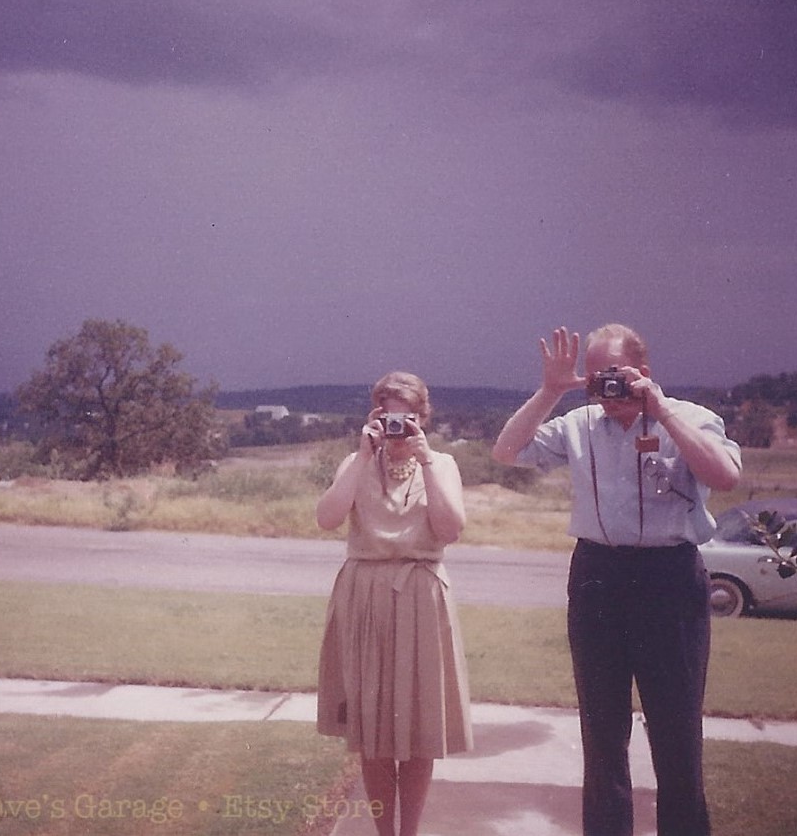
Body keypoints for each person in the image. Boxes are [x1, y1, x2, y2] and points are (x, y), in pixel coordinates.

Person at [492, 325, 741, 836]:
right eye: (595, 376)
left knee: (676, 731)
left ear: (641, 372)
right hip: (598, 578)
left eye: (615, 375)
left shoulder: (692, 419)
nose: (604, 389)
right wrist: (550, 391)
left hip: (668, 579)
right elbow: (506, 452)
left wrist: (661, 410)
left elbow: (725, 477)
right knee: (602, 733)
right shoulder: (579, 424)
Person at [316, 371, 473, 836]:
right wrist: (364, 456)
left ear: (423, 418)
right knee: (374, 734)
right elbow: (327, 518)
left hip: (422, 595)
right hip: (364, 596)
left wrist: (425, 461)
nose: (397, 428)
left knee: (422, 729)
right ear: (375, 417)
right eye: (388, 417)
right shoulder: (357, 461)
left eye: (407, 417)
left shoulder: (441, 464)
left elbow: (450, 530)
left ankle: (411, 831)